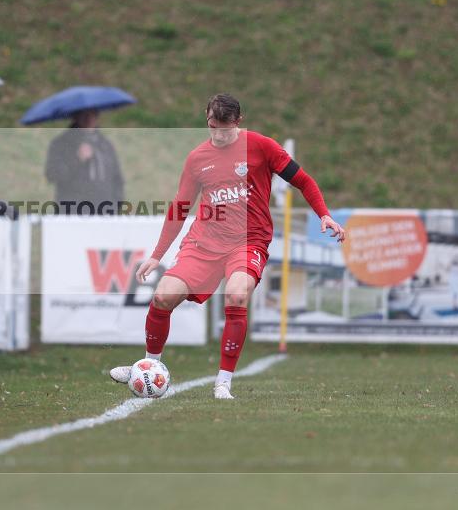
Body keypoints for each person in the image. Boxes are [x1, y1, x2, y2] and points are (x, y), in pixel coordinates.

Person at [109, 94, 346, 400]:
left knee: (236, 293)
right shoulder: (197, 158)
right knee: (163, 295)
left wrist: (324, 215)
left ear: (238, 122)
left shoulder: (262, 147)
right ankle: (148, 366)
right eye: (212, 127)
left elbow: (303, 180)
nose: (218, 134)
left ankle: (223, 382)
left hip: (249, 240)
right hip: (204, 242)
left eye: (224, 128)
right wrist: (157, 255)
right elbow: (180, 208)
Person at [44, 109, 124, 214]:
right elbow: (52, 174)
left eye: (93, 114)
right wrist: (77, 159)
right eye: (84, 115)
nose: (89, 119)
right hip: (73, 212)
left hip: (105, 213)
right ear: (75, 117)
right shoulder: (61, 143)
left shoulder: (105, 144)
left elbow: (117, 179)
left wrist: (116, 205)